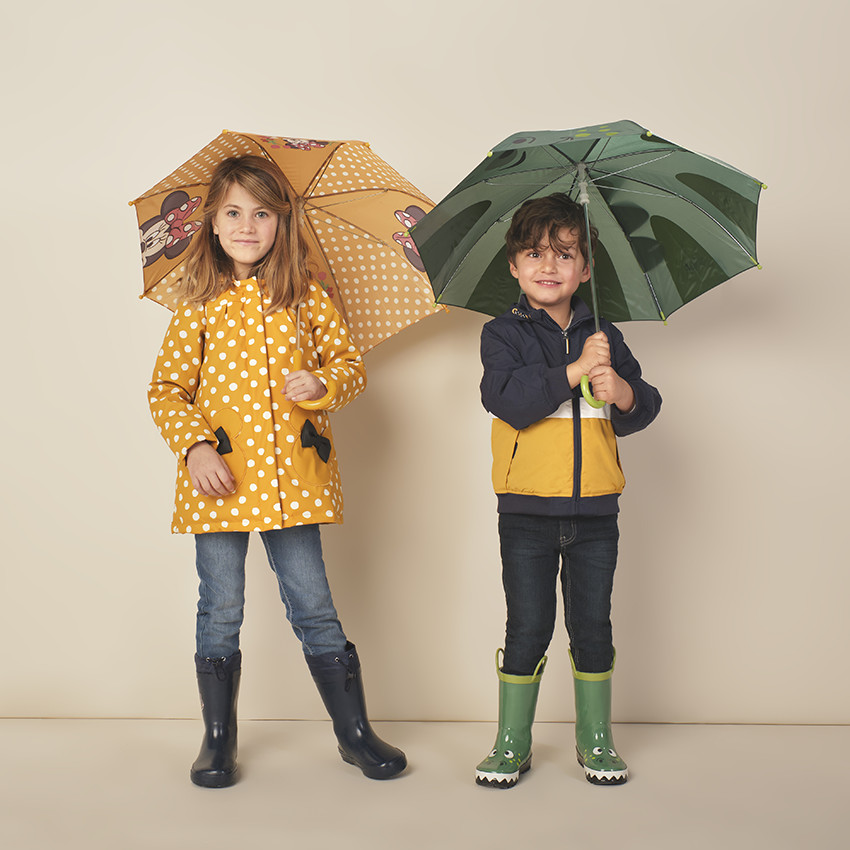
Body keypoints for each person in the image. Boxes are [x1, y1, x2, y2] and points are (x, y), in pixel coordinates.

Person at [148, 155, 406, 788]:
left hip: (292, 484)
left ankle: (353, 733)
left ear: (281, 222)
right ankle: (217, 739)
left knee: (314, 605)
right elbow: (166, 390)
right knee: (221, 607)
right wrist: (197, 449)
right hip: (220, 485)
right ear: (210, 222)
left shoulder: (305, 293)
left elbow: (351, 366)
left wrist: (322, 383)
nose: (246, 225)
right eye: (233, 212)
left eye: (261, 213)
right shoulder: (199, 303)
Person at [475, 193, 661, 787]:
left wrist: (620, 389)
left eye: (565, 253)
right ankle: (511, 742)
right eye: (534, 253)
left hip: (596, 512)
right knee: (527, 625)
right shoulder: (500, 334)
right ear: (513, 265)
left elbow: (642, 408)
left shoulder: (605, 334)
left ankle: (595, 739)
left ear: (586, 268)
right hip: (526, 512)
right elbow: (507, 399)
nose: (548, 265)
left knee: (593, 626)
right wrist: (575, 372)